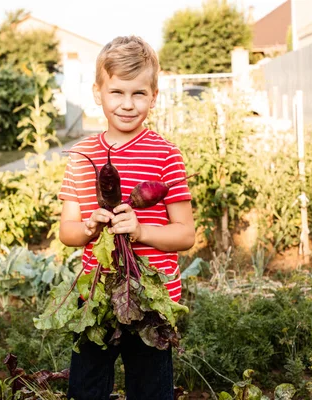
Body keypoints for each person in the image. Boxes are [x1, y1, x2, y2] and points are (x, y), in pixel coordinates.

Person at [58, 35, 196, 400]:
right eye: (117, 92)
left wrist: (140, 230)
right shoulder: (82, 155)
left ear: (154, 96)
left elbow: (185, 235)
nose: (127, 104)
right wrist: (88, 228)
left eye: (139, 94)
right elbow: (67, 231)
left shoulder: (166, 155)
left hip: (152, 298)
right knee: (85, 390)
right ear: (97, 92)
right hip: (97, 295)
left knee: (150, 391)